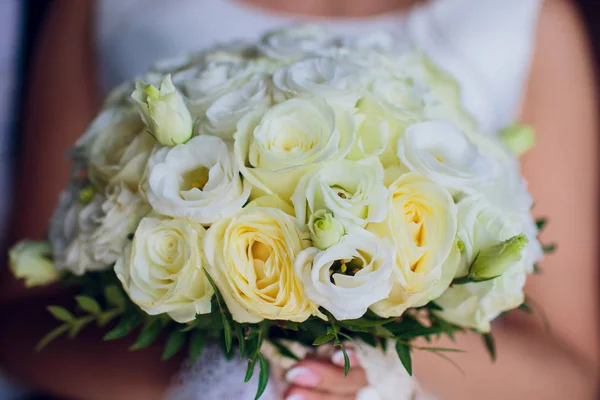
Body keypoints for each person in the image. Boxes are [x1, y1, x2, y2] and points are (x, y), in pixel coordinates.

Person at [0, 0, 597, 399]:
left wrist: (374, 374)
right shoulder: (98, 7)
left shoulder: (527, 15)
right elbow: (20, 319)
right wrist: (228, 374)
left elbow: (571, 370)